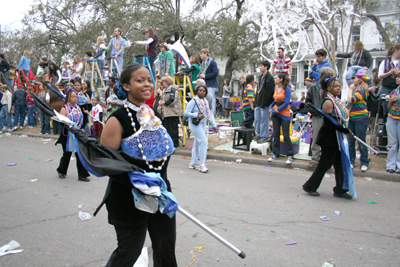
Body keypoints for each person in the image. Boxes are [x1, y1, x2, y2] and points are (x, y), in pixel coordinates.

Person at [99, 64, 178, 266]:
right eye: (140, 80)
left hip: (161, 195)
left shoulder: (154, 116)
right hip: (128, 200)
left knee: (165, 251)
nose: (147, 84)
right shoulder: (117, 119)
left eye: (149, 80)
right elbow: (105, 162)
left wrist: (160, 186)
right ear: (126, 86)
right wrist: (138, 179)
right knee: (128, 253)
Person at [302, 77, 353, 199]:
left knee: (339, 164)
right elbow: (330, 123)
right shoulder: (328, 101)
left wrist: (343, 129)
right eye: (335, 86)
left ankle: (340, 189)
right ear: (329, 88)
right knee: (324, 164)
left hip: (336, 137)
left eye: (339, 86)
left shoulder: (336, 100)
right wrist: (344, 130)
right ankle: (309, 186)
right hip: (329, 138)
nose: (338, 88)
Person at [56, 89, 90, 182]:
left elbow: (82, 120)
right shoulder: (64, 108)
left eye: (76, 97)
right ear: (68, 98)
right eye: (72, 97)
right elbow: (61, 122)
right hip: (67, 135)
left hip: (77, 134)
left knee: (79, 154)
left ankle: (82, 175)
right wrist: (71, 127)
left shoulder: (78, 108)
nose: (75, 99)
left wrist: (81, 128)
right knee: (67, 154)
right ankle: (61, 171)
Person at [306, 67, 336, 168]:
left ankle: (326, 159)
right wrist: (313, 111)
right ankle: (315, 159)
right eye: (329, 77)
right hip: (317, 116)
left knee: (328, 138)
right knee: (316, 136)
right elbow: (308, 101)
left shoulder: (331, 87)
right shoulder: (314, 86)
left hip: (329, 116)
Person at [184, 85, 218, 173]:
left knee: (197, 143)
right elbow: (186, 113)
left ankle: (193, 163)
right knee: (203, 141)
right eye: (200, 90)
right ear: (197, 92)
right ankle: (202, 164)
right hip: (194, 124)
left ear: (206, 92)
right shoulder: (193, 101)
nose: (202, 92)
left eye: (204, 91)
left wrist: (213, 125)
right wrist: (196, 115)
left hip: (203, 124)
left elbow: (209, 114)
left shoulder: (206, 102)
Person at [268, 73, 293, 164]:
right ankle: (276, 154)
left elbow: (286, 103)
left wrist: (276, 111)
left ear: (281, 79)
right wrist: (270, 107)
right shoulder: (275, 88)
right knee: (276, 134)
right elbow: (275, 99)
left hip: (284, 114)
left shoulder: (287, 89)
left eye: (276, 78)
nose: (275, 79)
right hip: (275, 114)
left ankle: (289, 155)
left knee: (286, 135)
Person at [348, 72, 370, 171]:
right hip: (351, 118)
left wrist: (350, 89)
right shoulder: (356, 90)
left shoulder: (362, 90)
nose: (353, 80)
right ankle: (351, 161)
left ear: (360, 80)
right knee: (350, 141)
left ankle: (364, 162)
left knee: (361, 141)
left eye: (355, 78)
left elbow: (351, 100)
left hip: (361, 119)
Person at [378, 44, 400, 134]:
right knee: (386, 106)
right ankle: (385, 126)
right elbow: (380, 76)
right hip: (386, 88)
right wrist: (390, 72)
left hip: (397, 88)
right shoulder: (385, 62)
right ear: (396, 50)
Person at [156, 76, 182, 149]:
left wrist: (163, 103)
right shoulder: (165, 90)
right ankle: (168, 144)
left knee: (173, 129)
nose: (162, 84)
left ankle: (175, 145)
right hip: (165, 113)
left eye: (163, 82)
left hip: (172, 113)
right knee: (166, 129)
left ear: (167, 82)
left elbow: (172, 100)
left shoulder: (173, 90)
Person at [254, 60, 275, 143]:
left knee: (264, 120)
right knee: (257, 119)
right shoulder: (260, 77)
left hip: (265, 103)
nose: (260, 67)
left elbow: (268, 92)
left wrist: (264, 103)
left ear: (266, 67)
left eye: (261, 66)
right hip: (258, 102)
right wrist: (256, 102)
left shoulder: (269, 78)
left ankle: (264, 135)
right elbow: (258, 91)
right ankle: (259, 134)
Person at [386, 74, 400, 173]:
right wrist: (391, 101)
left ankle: (399, 165)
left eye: (399, 77)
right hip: (392, 118)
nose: (397, 79)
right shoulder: (394, 92)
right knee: (392, 143)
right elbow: (388, 107)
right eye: (397, 77)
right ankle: (391, 165)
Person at [198, 48, 219, 117]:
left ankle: (212, 115)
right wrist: (200, 75)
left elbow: (215, 73)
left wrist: (205, 76)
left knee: (211, 100)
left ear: (206, 53)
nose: (200, 55)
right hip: (204, 84)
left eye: (202, 53)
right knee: (205, 100)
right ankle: (206, 115)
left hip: (211, 84)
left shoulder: (212, 62)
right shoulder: (203, 64)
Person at [367, 68, 382, 137]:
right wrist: (369, 89)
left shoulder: (383, 84)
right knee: (367, 129)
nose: (375, 78)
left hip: (379, 110)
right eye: (374, 77)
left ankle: (374, 145)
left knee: (376, 130)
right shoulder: (368, 82)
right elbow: (362, 92)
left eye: (377, 77)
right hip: (369, 109)